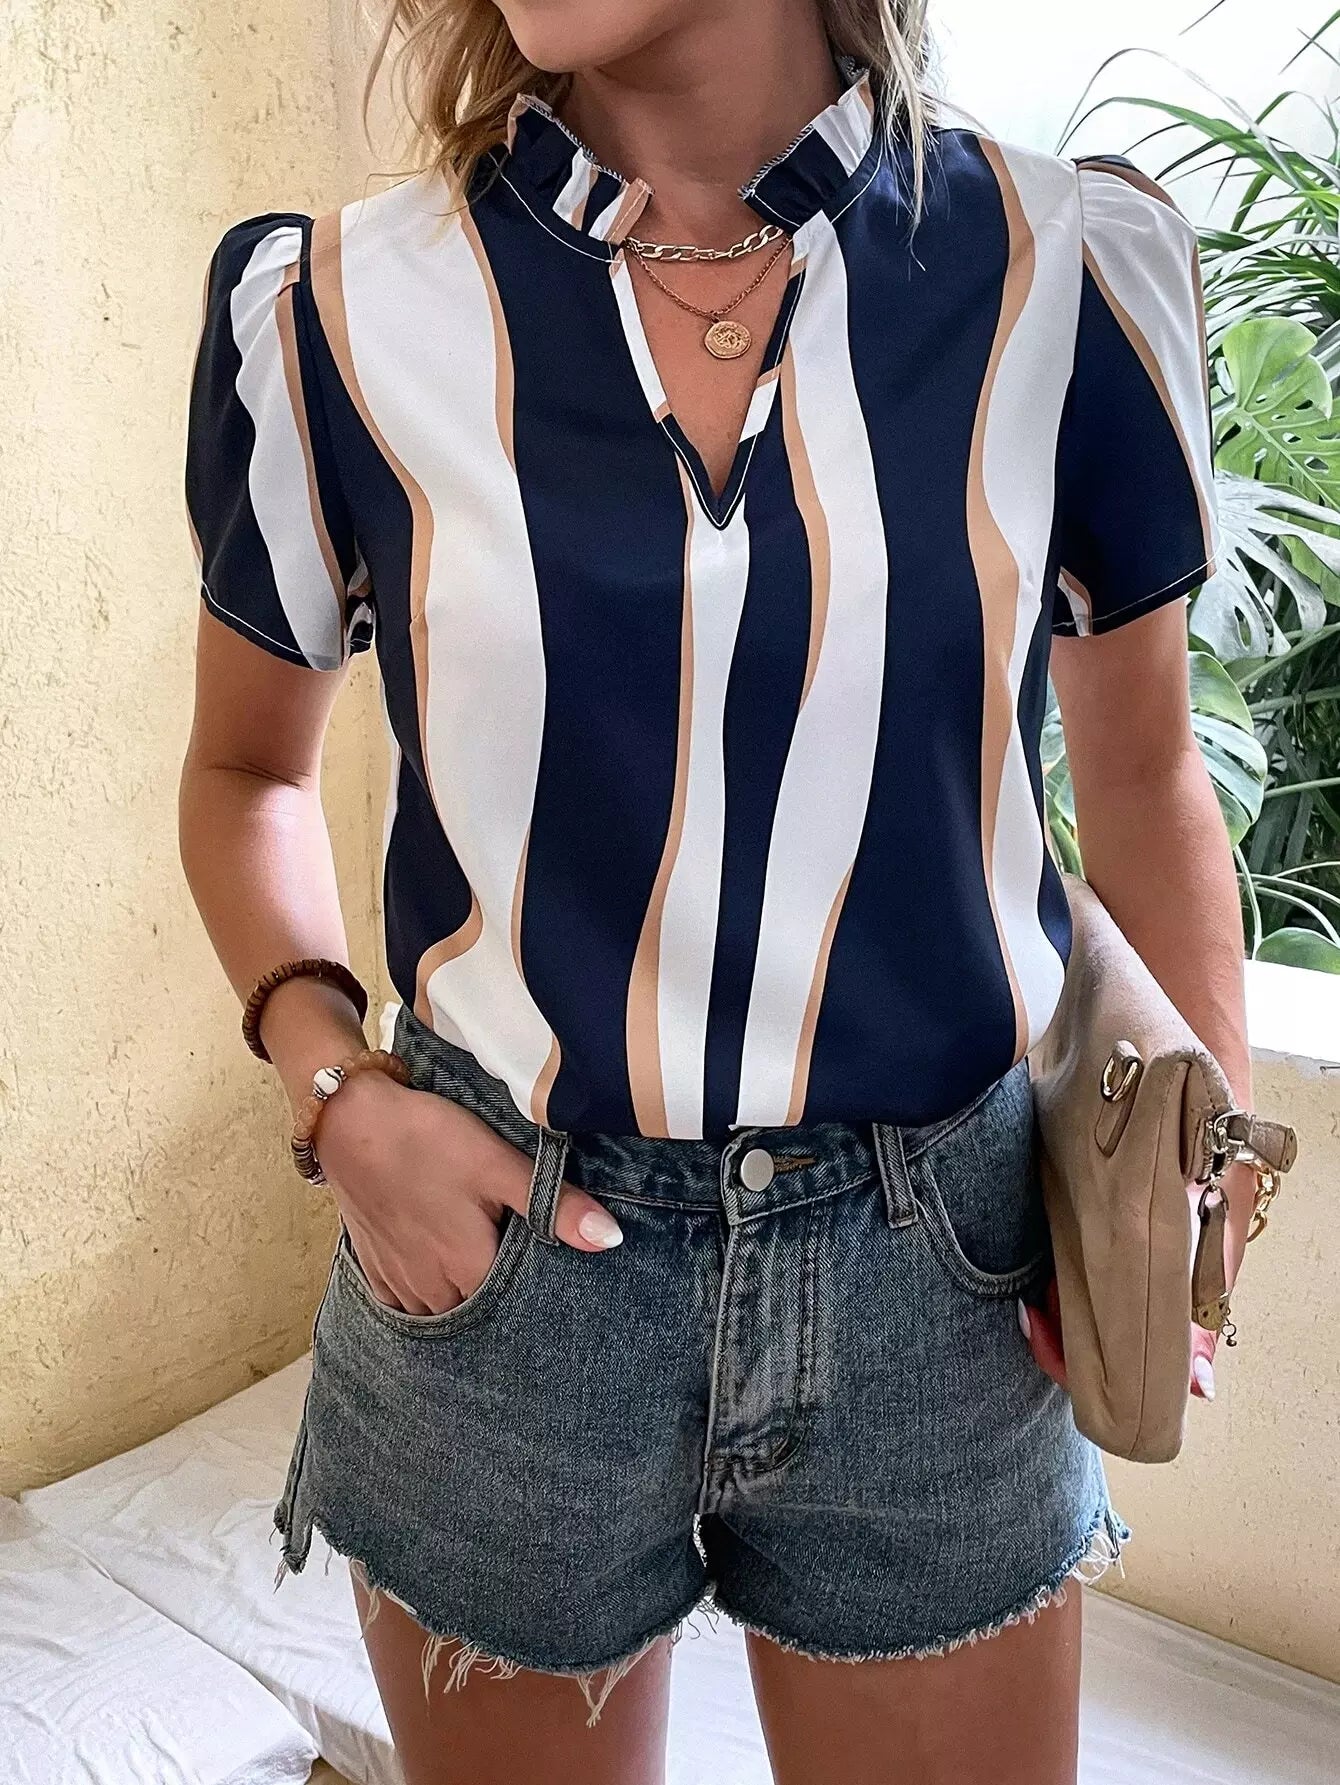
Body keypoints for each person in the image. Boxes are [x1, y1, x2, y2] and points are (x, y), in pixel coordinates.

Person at [178, 3, 1257, 1781]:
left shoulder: (1061, 268)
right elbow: (248, 777)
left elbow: (1144, 777)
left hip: (943, 1277)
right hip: (505, 1273)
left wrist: (1196, 1163)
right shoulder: (337, 313)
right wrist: (333, 1086)